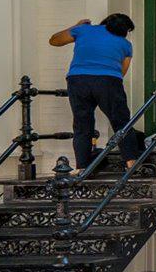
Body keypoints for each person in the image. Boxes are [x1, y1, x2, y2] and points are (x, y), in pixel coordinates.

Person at [48, 13, 144, 170]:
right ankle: (131, 163)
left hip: (77, 80)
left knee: (82, 124)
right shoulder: (125, 45)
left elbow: (54, 40)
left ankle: (82, 168)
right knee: (121, 121)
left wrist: (75, 26)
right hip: (108, 81)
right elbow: (121, 71)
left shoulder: (83, 30)